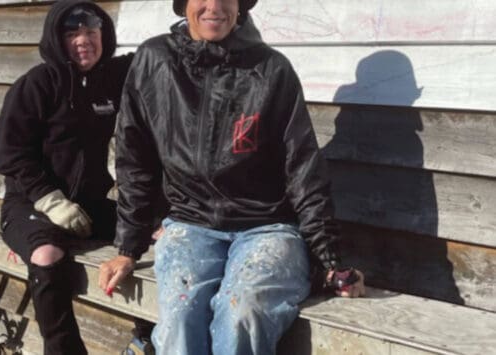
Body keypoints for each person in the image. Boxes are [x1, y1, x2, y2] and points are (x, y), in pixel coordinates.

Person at [98, 0, 366, 354]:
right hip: (190, 223)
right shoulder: (155, 60)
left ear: (240, 7)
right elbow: (134, 159)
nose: (214, 7)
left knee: (241, 312)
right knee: (180, 314)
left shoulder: (271, 70)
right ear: (183, 5)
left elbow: (302, 167)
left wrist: (331, 261)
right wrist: (128, 248)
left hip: (267, 226)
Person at [0, 0, 137, 353]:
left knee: (153, 230)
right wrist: (51, 202)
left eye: (91, 31)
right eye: (72, 33)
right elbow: (10, 152)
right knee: (45, 254)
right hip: (32, 204)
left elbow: (153, 55)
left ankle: (146, 337)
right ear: (57, 40)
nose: (83, 40)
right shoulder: (38, 83)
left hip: (87, 206)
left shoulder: (110, 79)